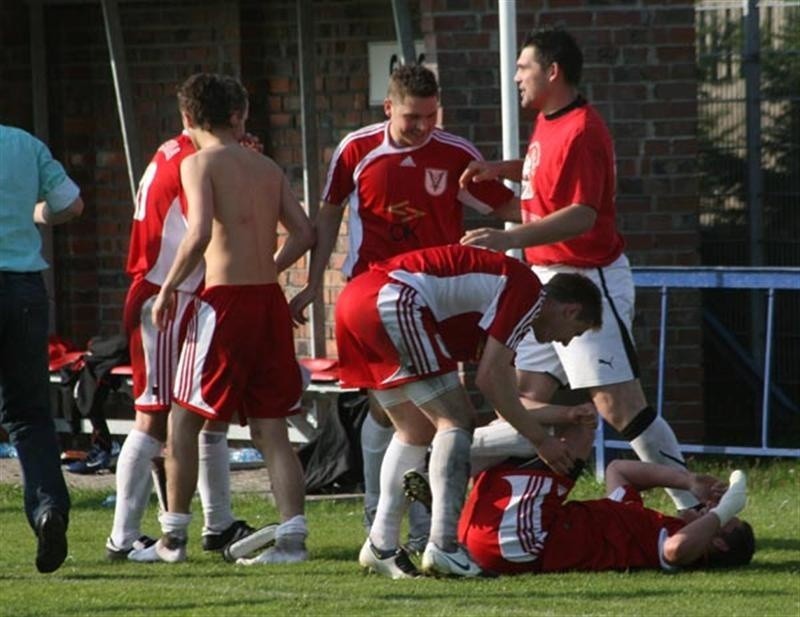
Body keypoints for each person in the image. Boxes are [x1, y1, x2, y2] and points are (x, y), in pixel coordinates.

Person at [460, 27, 700, 512]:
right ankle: (494, 505)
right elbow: (545, 175)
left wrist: (507, 239)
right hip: (544, 282)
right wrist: (502, 169)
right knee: (523, 398)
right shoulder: (552, 121)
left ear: (553, 71)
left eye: (523, 67)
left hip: (586, 283)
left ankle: (694, 506)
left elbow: (582, 213)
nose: (515, 77)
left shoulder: (584, 128)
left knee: (617, 405)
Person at [289, 63, 519, 551]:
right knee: (392, 407)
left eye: (432, 116)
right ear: (389, 107)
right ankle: (388, 519)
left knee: (431, 410)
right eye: (413, 117)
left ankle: (410, 528)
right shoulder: (357, 149)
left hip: (437, 295)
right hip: (373, 297)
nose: (423, 126)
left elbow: (511, 208)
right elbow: (328, 217)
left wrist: (554, 205)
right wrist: (313, 283)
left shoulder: (456, 153)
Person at [335, 243, 602, 578]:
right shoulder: (528, 292)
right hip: (391, 297)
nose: (563, 343)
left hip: (355, 299)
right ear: (570, 311)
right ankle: (444, 546)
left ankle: (380, 545)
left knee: (415, 431)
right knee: (457, 420)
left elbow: (504, 394)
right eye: (574, 334)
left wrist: (557, 419)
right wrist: (540, 440)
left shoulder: (502, 303)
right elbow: (491, 380)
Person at [150, 72, 315, 564]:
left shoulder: (199, 163)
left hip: (222, 304)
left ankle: (173, 538)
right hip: (266, 301)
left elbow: (198, 233)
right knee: (271, 427)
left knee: (184, 416)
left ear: (186, 118)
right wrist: (269, 268)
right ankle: (292, 540)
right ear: (239, 115)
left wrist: (165, 289)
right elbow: (305, 233)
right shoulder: (265, 167)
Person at [106, 127, 263, 560]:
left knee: (205, 411)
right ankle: (122, 537)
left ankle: (218, 522)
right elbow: (203, 231)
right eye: (237, 119)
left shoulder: (173, 148)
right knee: (153, 417)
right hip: (167, 295)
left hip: (180, 294)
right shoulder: (193, 162)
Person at [454, 420, 754, 575]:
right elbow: (619, 470)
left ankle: (441, 459)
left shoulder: (674, 543)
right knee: (506, 450)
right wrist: (689, 481)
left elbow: (676, 550)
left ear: (717, 541)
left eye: (725, 519)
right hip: (497, 538)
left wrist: (727, 508)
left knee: (579, 428)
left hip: (523, 540)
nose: (713, 509)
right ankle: (446, 463)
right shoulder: (644, 524)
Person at [0, 124, 84, 572]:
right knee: (29, 415)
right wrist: (37, 214)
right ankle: (49, 507)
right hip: (24, 288)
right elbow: (70, 203)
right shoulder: (26, 144)